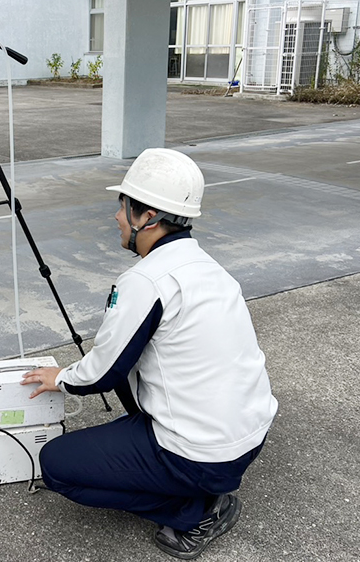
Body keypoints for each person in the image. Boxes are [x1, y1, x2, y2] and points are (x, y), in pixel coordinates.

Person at [21, 148, 278, 560]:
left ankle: (195, 511)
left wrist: (61, 378)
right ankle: (190, 483)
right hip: (246, 436)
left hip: (202, 456)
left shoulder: (146, 280)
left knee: (56, 465)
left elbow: (103, 373)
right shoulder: (208, 267)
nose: (117, 217)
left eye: (122, 207)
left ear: (148, 217)